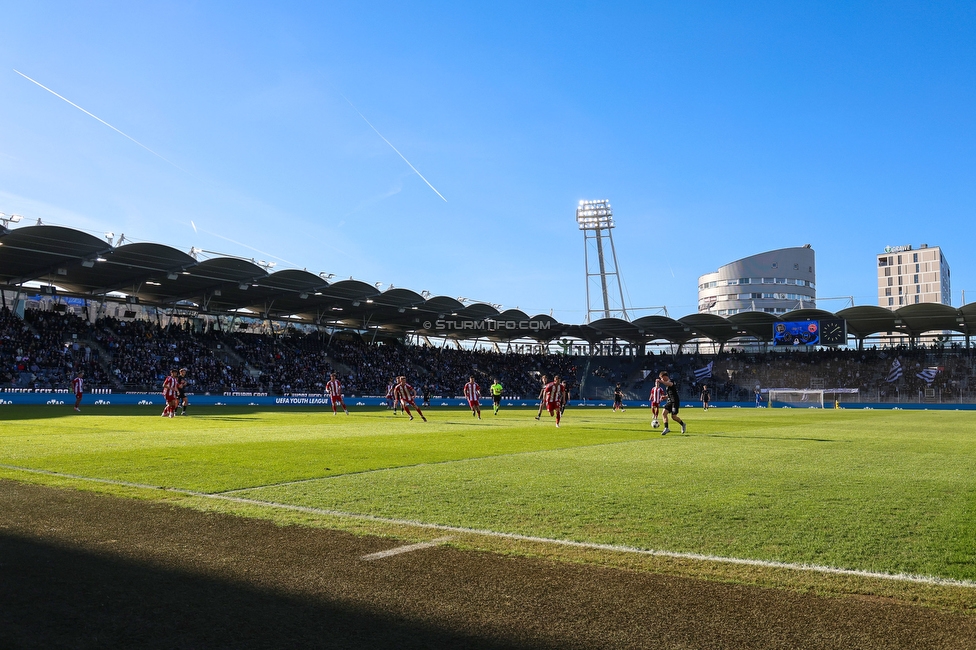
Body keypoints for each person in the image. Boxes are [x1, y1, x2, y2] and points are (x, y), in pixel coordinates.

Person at [658, 371, 686, 435]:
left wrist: (661, 381)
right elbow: (670, 393)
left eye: (662, 378)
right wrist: (665, 397)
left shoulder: (672, 381)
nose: (661, 379)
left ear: (665, 377)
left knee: (674, 417)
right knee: (664, 413)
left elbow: (670, 384)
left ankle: (683, 424)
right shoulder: (666, 384)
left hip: (675, 401)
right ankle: (666, 428)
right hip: (669, 401)